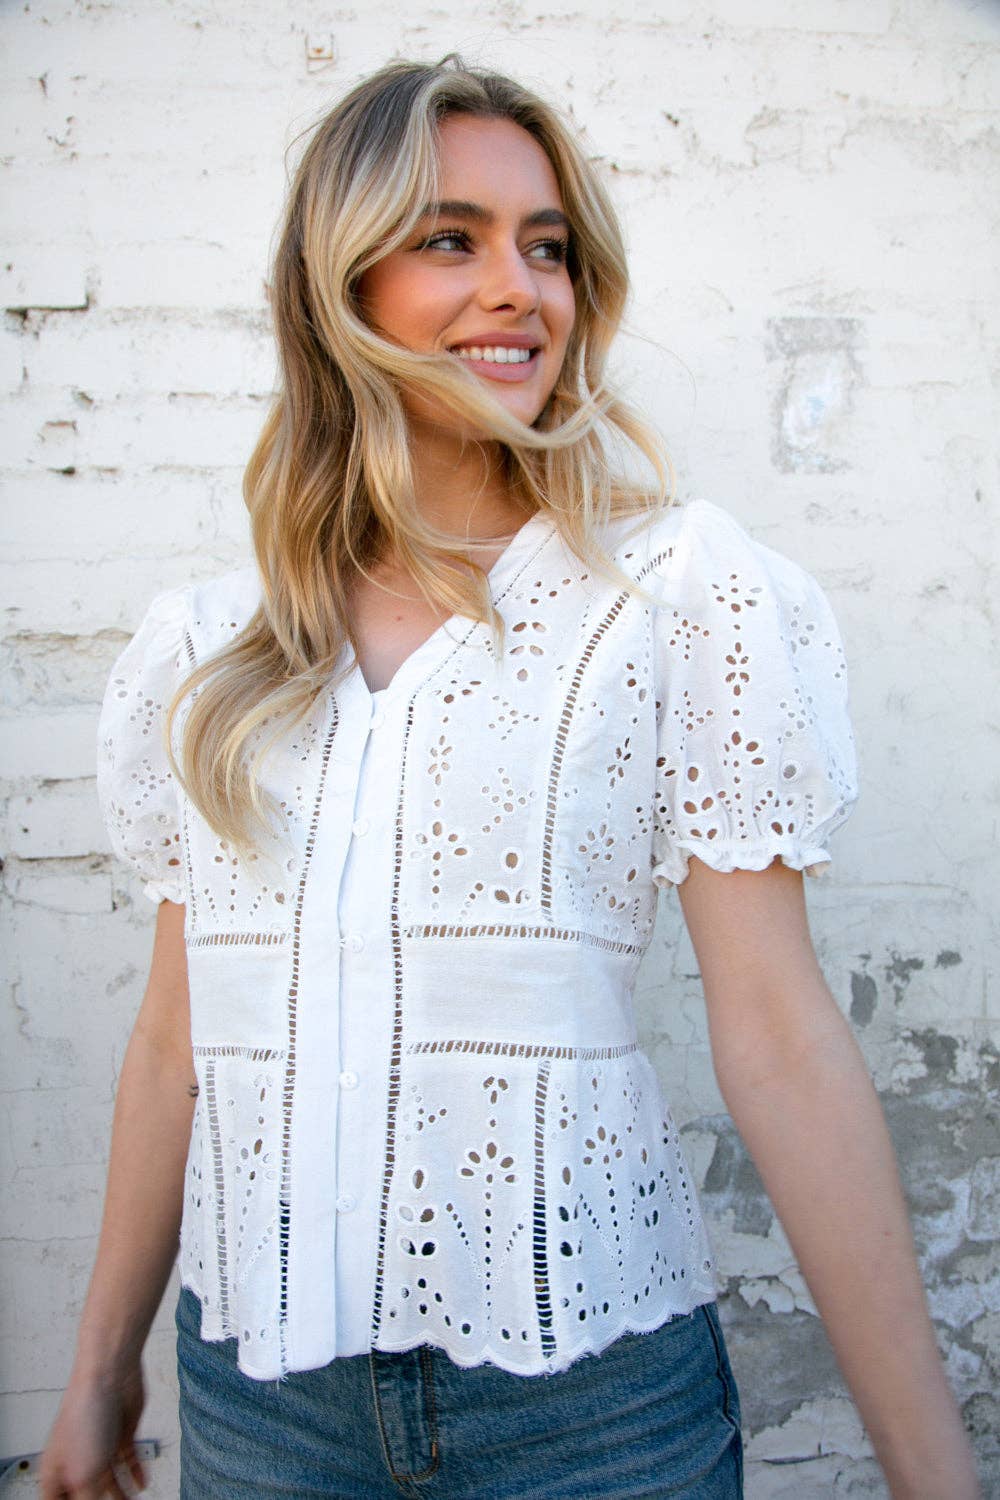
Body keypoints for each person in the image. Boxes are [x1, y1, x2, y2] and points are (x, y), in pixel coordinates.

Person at [40, 55, 980, 1500]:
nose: (519, 289)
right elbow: (179, 1043)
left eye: (547, 248)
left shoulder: (672, 595)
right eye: (450, 239)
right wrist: (102, 1366)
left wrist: (932, 1473)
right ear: (340, 286)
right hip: (259, 1417)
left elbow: (782, 1036)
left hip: (589, 1421)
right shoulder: (207, 651)